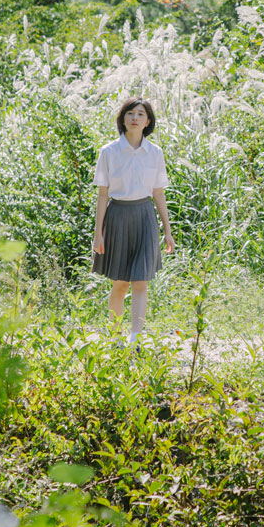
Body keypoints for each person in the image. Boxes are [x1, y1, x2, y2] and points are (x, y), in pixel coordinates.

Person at [92, 97, 175, 343]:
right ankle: (115, 337)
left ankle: (136, 340)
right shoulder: (108, 151)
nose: (135, 118)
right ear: (123, 119)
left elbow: (158, 193)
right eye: (130, 113)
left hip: (145, 217)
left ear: (148, 121)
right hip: (117, 217)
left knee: (141, 282)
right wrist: (98, 233)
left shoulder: (155, 153)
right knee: (120, 284)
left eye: (140, 114)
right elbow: (103, 195)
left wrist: (167, 231)